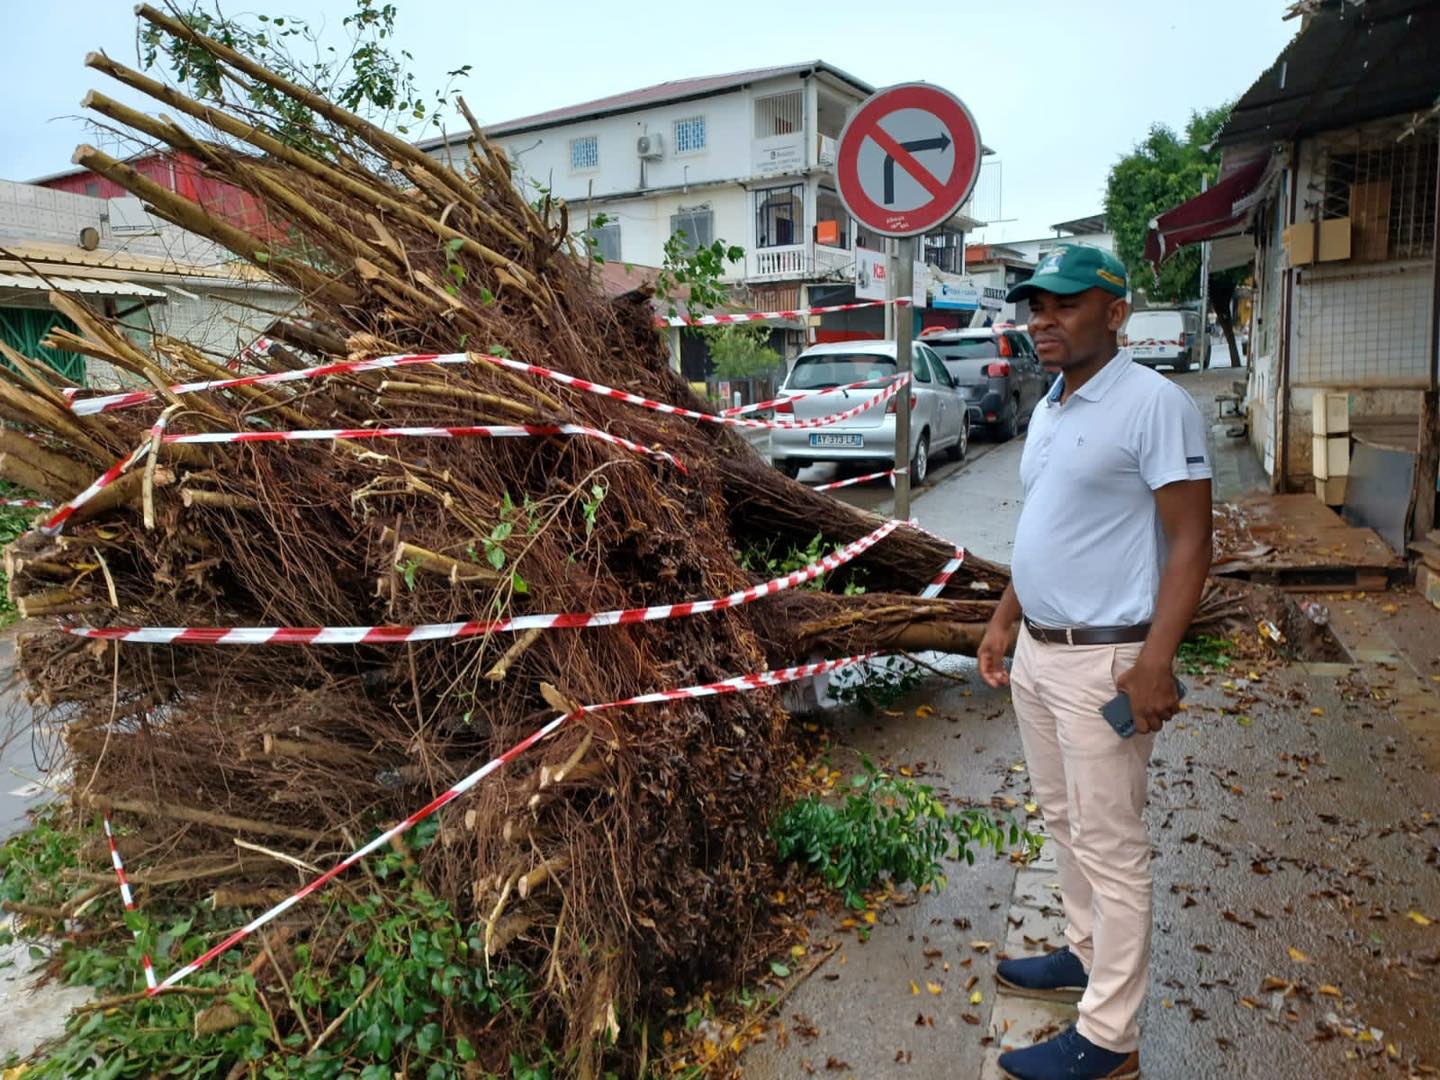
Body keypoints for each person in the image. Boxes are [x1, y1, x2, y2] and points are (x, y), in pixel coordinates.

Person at [978, 246, 1213, 1080]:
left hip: (1108, 661)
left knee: (1112, 844)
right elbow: (1045, 526)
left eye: (1066, 304)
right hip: (1042, 654)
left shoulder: (1155, 405)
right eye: (1036, 305)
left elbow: (1191, 542)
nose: (1044, 319)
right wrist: (1006, 619)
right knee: (1062, 820)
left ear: (1116, 312)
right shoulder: (1049, 404)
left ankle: (1109, 1037)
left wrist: (1157, 661)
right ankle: (1083, 952)